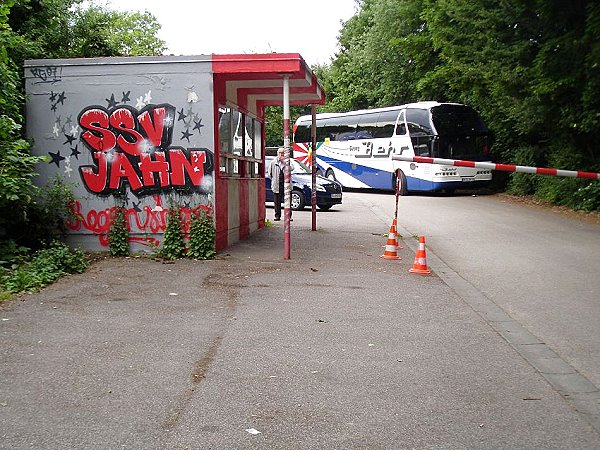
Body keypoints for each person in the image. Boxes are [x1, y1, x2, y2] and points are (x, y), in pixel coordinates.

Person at [269, 147, 292, 221]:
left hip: (286, 184)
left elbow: (293, 168)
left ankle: (289, 216)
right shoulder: (273, 162)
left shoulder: (288, 161)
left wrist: (285, 163)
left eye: (283, 153)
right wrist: (274, 180)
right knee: (277, 202)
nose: (281, 154)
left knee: (288, 201)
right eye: (280, 153)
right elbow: (270, 174)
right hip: (277, 184)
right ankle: (277, 216)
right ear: (277, 153)